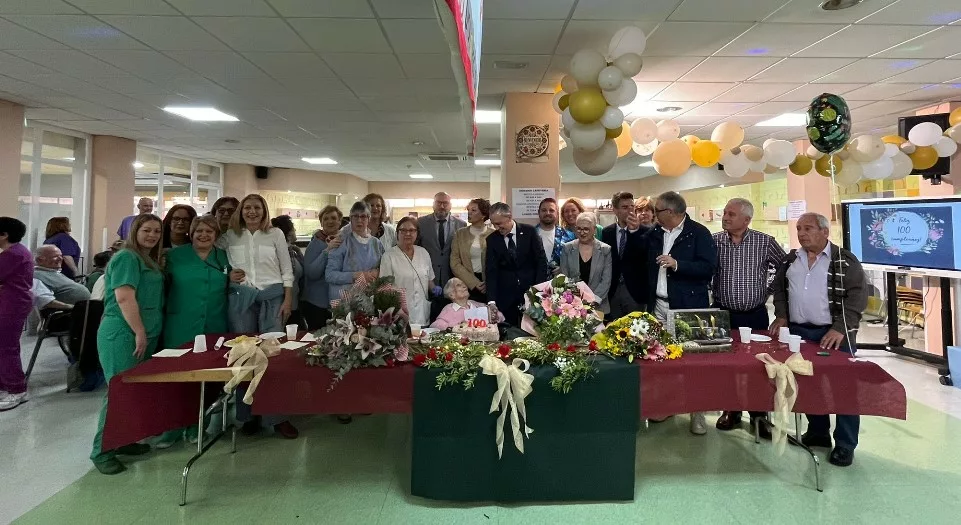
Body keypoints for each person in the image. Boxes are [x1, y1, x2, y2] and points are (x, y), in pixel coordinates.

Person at [770, 212, 867, 467]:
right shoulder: (791, 259)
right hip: (799, 332)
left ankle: (845, 444)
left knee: (843, 388)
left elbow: (857, 296)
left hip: (833, 334)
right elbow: (779, 289)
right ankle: (818, 432)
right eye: (799, 229)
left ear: (825, 232)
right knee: (808, 384)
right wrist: (782, 315)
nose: (802, 234)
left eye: (808, 228)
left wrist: (840, 328)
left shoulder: (844, 261)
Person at [158, 215, 242, 448]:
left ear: (216, 236)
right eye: (199, 231)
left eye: (209, 232)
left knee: (206, 380)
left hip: (213, 325)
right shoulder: (173, 257)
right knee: (176, 379)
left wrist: (232, 278)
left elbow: (234, 281)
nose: (204, 235)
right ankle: (172, 428)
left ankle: (198, 426)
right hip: (180, 325)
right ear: (191, 233)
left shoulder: (223, 257)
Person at [90, 214, 164, 474]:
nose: (152, 235)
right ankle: (101, 451)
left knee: (132, 392)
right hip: (124, 333)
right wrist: (139, 331)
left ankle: (122, 440)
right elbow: (124, 297)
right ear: (134, 231)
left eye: (157, 231)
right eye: (146, 230)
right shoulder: (126, 257)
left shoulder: (146, 259)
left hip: (142, 333)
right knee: (119, 392)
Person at [222, 194, 298, 440]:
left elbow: (286, 269)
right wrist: (227, 275)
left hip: (272, 298)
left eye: (257, 207)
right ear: (241, 211)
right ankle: (248, 416)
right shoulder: (230, 236)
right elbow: (217, 263)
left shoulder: (275, 234)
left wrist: (288, 299)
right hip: (241, 299)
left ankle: (277, 417)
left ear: (264, 211)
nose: (252, 212)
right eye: (247, 208)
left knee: (273, 356)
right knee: (244, 357)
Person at [712, 198, 786, 439]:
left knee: (759, 365)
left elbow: (785, 267)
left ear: (746, 220)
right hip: (723, 314)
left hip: (755, 314)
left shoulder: (765, 242)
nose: (725, 217)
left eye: (731, 214)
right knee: (727, 366)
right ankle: (731, 410)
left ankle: (759, 415)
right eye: (725, 213)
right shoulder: (714, 241)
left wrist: (768, 289)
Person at [645, 191, 717, 436]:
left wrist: (677, 264)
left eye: (657, 211)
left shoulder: (698, 233)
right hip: (658, 306)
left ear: (671, 212)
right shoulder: (655, 233)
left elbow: (708, 268)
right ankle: (668, 406)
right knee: (662, 360)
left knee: (693, 362)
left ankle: (698, 413)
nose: (654, 215)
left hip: (688, 307)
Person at [485, 202, 549, 327]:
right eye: (493, 224)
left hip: (531, 294)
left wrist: (537, 291)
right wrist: (491, 301)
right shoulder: (492, 239)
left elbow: (541, 263)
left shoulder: (529, 232)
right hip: (506, 298)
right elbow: (491, 271)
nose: (497, 228)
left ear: (509, 217)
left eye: (499, 223)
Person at [0, 218, 34, 411]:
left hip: (11, 305)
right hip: (12, 303)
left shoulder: (12, 254)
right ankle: (5, 386)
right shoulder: (17, 252)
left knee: (6, 347)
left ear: (4, 235)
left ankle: (16, 390)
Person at [380, 217, 436, 326]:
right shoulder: (389, 256)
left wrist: (435, 289)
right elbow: (385, 288)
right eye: (403, 230)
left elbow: (429, 279)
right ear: (397, 233)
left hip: (422, 313)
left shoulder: (423, 253)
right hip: (400, 315)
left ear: (417, 233)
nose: (408, 234)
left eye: (412, 230)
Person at [601, 191, 648, 319]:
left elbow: (644, 257)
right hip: (613, 291)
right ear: (615, 210)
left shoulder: (644, 232)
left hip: (634, 292)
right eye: (625, 207)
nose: (630, 210)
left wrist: (634, 232)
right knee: (613, 327)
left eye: (632, 206)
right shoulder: (607, 232)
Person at [326, 202, 385, 301]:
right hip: (345, 301)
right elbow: (330, 275)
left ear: (369, 218)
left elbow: (385, 267)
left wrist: (378, 272)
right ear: (350, 218)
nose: (359, 220)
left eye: (363, 216)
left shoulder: (376, 243)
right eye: (355, 216)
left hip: (370, 299)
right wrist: (355, 275)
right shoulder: (341, 242)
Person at [559, 212, 612, 315]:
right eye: (579, 229)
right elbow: (564, 277)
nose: (582, 232)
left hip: (598, 307)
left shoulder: (605, 250)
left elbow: (606, 280)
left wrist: (592, 301)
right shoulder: (567, 248)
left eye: (586, 229)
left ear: (594, 229)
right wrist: (575, 301)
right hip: (572, 307)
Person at [302, 206, 343, 330]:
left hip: (339, 303)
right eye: (326, 219)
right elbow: (311, 273)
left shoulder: (346, 241)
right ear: (321, 223)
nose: (330, 221)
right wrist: (327, 251)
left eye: (333, 218)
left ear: (340, 221)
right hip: (317, 305)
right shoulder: (315, 244)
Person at [416, 192, 466, 290]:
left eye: (445, 203)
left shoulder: (461, 225)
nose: (442, 206)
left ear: (450, 206)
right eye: (438, 203)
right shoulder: (420, 223)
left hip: (452, 277)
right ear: (433, 204)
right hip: (426, 277)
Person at [450, 198, 493, 303]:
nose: (469, 213)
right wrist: (473, 282)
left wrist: (488, 282)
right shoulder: (460, 234)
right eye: (468, 210)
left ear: (483, 214)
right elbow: (455, 262)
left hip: (489, 283)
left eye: (473, 210)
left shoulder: (493, 234)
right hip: (466, 283)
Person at [431, 278, 504, 330]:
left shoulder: (476, 304)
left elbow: (499, 316)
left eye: (464, 284)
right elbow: (435, 325)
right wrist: (456, 327)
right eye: (459, 285)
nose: (464, 286)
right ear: (451, 295)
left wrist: (494, 316)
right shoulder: (449, 308)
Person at [271, 215, 305, 329]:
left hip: (295, 304)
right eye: (293, 228)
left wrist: (299, 252)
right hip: (284, 306)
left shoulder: (293, 252)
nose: (295, 231)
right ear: (289, 233)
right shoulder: (280, 253)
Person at [536, 197, 576, 274]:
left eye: (551, 210)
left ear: (557, 213)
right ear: (539, 212)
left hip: (560, 280)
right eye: (544, 210)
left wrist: (564, 268)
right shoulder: (529, 235)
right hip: (536, 280)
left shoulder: (569, 236)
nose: (547, 213)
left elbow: (575, 262)